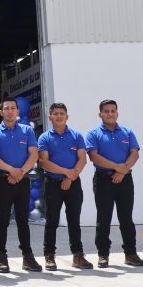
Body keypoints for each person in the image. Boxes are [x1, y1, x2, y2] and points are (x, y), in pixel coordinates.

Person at [86, 99, 143, 267]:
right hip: (103, 179)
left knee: (126, 218)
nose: (110, 114)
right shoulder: (93, 134)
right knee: (103, 218)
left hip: (125, 179)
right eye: (106, 111)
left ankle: (131, 253)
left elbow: (135, 153)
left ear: (117, 113)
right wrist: (117, 168)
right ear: (100, 114)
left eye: (113, 111)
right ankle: (103, 255)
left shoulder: (127, 132)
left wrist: (122, 171)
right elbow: (93, 156)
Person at [37, 103, 92, 270]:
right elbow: (44, 162)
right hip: (53, 184)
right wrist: (67, 173)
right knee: (52, 221)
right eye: (55, 114)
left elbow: (82, 159)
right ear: (50, 117)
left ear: (67, 116)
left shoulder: (76, 136)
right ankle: (49, 256)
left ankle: (78, 255)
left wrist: (70, 177)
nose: (59, 116)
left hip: (73, 183)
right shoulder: (44, 138)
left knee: (74, 220)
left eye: (62, 113)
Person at [0, 98, 42, 273]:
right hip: (3, 180)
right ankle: (1, 256)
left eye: (13, 108)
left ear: (18, 111)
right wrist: (11, 171)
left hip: (22, 179)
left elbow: (33, 155)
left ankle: (27, 256)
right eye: (6, 108)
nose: (10, 111)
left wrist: (20, 172)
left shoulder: (27, 130)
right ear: (1, 112)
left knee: (22, 221)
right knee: (3, 220)